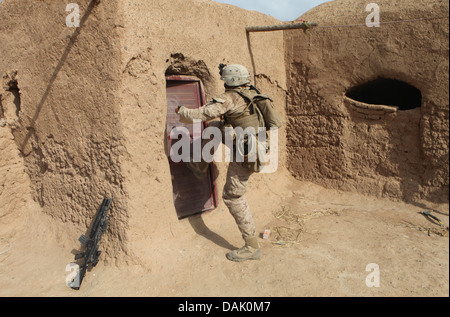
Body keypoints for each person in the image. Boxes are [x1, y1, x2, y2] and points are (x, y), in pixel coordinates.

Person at [175, 64, 269, 262]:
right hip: (255, 144)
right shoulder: (251, 93)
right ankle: (200, 165)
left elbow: (201, 114)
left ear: (230, 80)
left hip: (247, 153)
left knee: (233, 196)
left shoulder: (230, 98)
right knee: (215, 127)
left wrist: (181, 110)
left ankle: (252, 246)